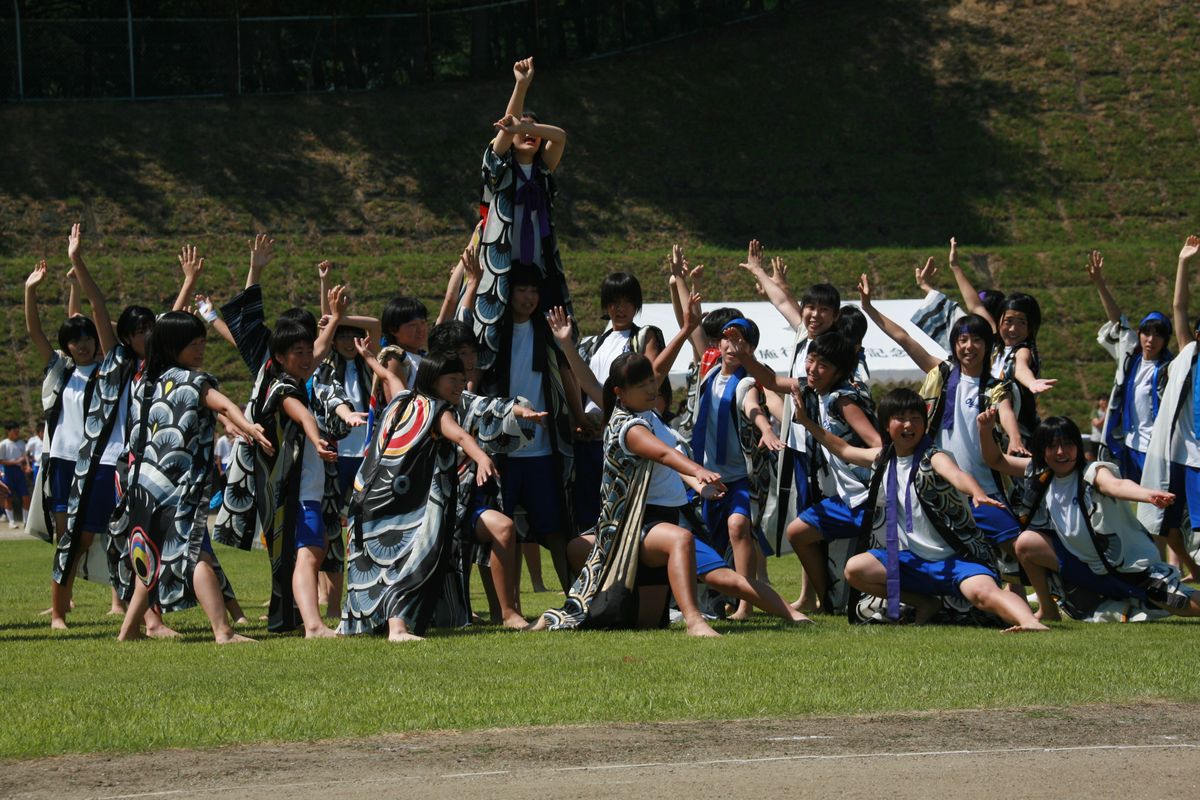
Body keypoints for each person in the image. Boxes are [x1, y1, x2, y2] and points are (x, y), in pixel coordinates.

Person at [793, 387, 1047, 632]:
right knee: (856, 569)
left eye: (916, 418)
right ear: (886, 425)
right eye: (900, 419)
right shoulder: (884, 458)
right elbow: (844, 449)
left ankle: (1030, 622)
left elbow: (957, 475)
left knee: (984, 593)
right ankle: (925, 603)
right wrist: (805, 421)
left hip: (954, 559)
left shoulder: (934, 456)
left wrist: (978, 493)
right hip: (911, 561)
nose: (909, 425)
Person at [858, 274, 1029, 594]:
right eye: (963, 340)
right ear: (954, 345)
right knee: (945, 554)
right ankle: (942, 601)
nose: (969, 346)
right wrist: (869, 308)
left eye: (976, 340)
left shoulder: (995, 387)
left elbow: (1004, 412)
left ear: (987, 346)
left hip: (984, 486)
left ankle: (1033, 603)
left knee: (1016, 546)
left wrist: (1015, 439)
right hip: (939, 489)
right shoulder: (941, 374)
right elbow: (904, 338)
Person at [117, 312, 272, 643]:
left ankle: (128, 631)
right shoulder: (193, 380)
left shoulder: (145, 381)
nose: (201, 349)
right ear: (174, 346)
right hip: (176, 485)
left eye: (203, 342)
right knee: (193, 553)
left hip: (142, 483)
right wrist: (248, 427)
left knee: (155, 555)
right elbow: (224, 405)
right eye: (193, 344)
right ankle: (223, 631)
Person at [980, 411, 1200, 621]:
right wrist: (985, 430)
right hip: (1083, 569)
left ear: (1078, 446)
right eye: (1052, 446)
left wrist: (1147, 495)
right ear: (1041, 450)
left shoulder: (1092, 471)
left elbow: (1115, 485)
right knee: (1026, 543)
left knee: (1182, 605)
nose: (1061, 452)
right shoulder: (1040, 472)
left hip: (1126, 569)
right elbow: (997, 461)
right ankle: (1048, 610)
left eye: (1067, 444)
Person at [340, 352, 498, 641]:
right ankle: (397, 630)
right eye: (452, 380)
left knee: (376, 565)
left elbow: (389, 377)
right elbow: (460, 436)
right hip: (399, 505)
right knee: (407, 560)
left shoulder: (403, 399)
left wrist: (368, 358)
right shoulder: (438, 410)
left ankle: (373, 626)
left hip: (367, 498)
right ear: (433, 379)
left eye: (462, 380)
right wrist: (482, 459)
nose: (459, 386)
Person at [733, 330, 879, 613]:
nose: (813, 369)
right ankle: (827, 602)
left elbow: (878, 446)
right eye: (811, 359)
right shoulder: (814, 390)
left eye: (823, 364)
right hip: (848, 499)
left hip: (872, 498)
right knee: (798, 531)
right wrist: (745, 358)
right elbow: (771, 381)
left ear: (839, 371)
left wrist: (808, 424)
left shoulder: (844, 402)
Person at [473, 56, 571, 374]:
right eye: (521, 129)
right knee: (490, 336)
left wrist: (524, 126)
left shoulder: (543, 170)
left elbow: (560, 136)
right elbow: (503, 133)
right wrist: (521, 85)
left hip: (539, 267)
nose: (528, 134)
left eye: (533, 129)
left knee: (555, 341)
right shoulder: (500, 170)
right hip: (500, 268)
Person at [573, 272, 664, 535]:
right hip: (591, 440)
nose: (619, 308)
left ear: (637, 304)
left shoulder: (644, 336)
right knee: (590, 515)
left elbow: (654, 380)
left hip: (624, 438)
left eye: (626, 301)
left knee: (620, 514)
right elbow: (584, 387)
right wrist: (580, 419)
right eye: (613, 301)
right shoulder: (593, 344)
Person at [1136, 236, 1200, 580]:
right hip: (1180, 453)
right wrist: (1183, 263)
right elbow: (1179, 308)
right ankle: (1193, 571)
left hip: (1196, 458)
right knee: (1164, 521)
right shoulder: (1189, 356)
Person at [0, 422, 27, 528]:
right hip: (8, 471)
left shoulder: (21, 443)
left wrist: (25, 465)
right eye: (14, 431)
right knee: (8, 496)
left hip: (19, 472)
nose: (17, 433)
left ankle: (26, 521)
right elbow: (1, 461)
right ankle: (11, 521)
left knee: (25, 496)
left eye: (18, 430)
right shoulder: (3, 444)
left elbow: (24, 457)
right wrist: (15, 462)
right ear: (8, 431)